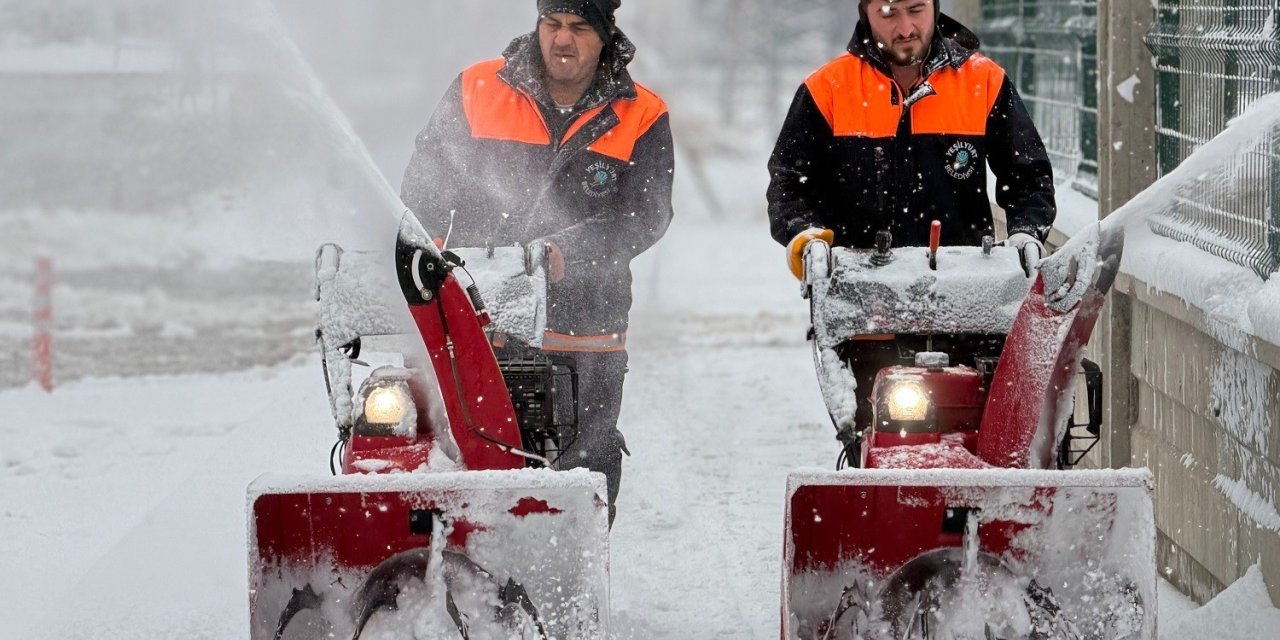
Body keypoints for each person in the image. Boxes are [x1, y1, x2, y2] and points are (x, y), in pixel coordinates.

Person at [402, 0, 674, 524]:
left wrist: (570, 251)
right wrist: (428, 257)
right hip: (479, 321)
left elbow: (646, 215)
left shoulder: (640, 112)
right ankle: (469, 564)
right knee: (470, 449)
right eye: (553, 24)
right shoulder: (476, 89)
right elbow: (425, 191)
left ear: (604, 36)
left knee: (583, 459)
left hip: (586, 327)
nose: (563, 40)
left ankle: (570, 581)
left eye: (578, 28)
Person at [766, 0, 1056, 449]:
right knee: (879, 439)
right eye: (888, 12)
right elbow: (790, 186)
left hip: (968, 304)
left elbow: (1029, 176)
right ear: (865, 14)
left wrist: (1025, 230)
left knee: (978, 437)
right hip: (868, 309)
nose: (905, 27)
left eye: (916, 9)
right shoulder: (828, 90)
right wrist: (807, 238)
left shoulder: (984, 82)